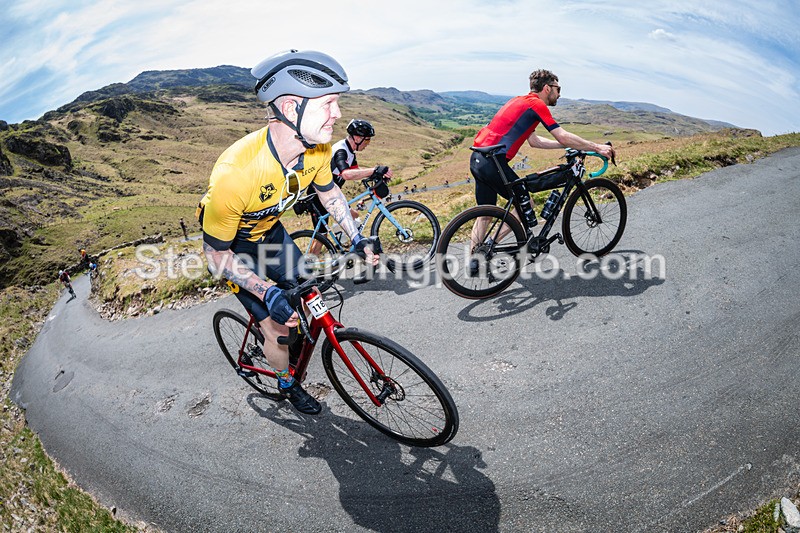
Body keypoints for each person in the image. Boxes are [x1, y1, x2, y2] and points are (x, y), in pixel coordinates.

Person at [196, 49, 378, 415]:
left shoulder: (320, 150)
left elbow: (330, 195)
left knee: (308, 293)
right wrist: (267, 292)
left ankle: (290, 341)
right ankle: (286, 382)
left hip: (271, 235)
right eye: (328, 104)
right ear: (292, 106)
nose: (338, 114)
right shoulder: (236, 175)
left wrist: (356, 236)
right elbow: (215, 255)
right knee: (277, 326)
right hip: (235, 249)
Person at [470, 68, 614, 229]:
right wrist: (597, 147)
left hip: (478, 158)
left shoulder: (520, 101)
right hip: (493, 162)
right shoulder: (536, 104)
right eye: (558, 89)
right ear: (547, 88)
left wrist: (567, 145)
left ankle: (476, 253)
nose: (559, 94)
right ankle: (491, 245)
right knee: (526, 205)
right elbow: (562, 135)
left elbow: (534, 141)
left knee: (484, 216)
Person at [305, 118, 394, 256]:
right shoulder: (341, 150)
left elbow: (356, 172)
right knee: (321, 238)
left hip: (332, 194)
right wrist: (374, 169)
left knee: (354, 215)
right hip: (319, 197)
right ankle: (305, 270)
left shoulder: (350, 152)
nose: (368, 144)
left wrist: (378, 174)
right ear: (357, 138)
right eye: (367, 140)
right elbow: (346, 174)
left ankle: (346, 244)